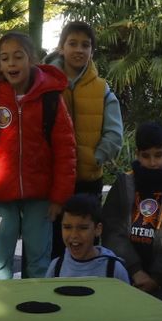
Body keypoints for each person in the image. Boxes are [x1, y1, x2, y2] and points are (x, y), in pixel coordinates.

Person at [0, 30, 76, 280]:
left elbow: (65, 151)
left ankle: (34, 313)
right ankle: (2, 312)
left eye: (18, 57)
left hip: (41, 196)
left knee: (38, 260)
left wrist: (60, 197)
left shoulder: (51, 100)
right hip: (0, 196)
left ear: (31, 59)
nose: (11, 63)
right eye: (5, 58)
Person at [46, 20, 123, 261]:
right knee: (52, 243)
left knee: (86, 245)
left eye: (85, 45)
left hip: (87, 181)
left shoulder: (101, 89)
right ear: (61, 47)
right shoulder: (44, 83)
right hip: (51, 180)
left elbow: (114, 135)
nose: (79, 49)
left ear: (92, 51)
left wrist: (93, 158)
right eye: (73, 43)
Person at [101, 120, 162, 301]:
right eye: (146, 156)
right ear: (137, 155)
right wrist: (135, 271)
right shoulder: (124, 184)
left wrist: (156, 278)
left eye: (158, 155)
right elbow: (112, 231)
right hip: (124, 271)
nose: (153, 162)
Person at [47, 193, 130, 281]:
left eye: (83, 228)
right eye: (67, 227)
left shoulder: (114, 269)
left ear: (98, 229)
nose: (74, 235)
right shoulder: (56, 267)